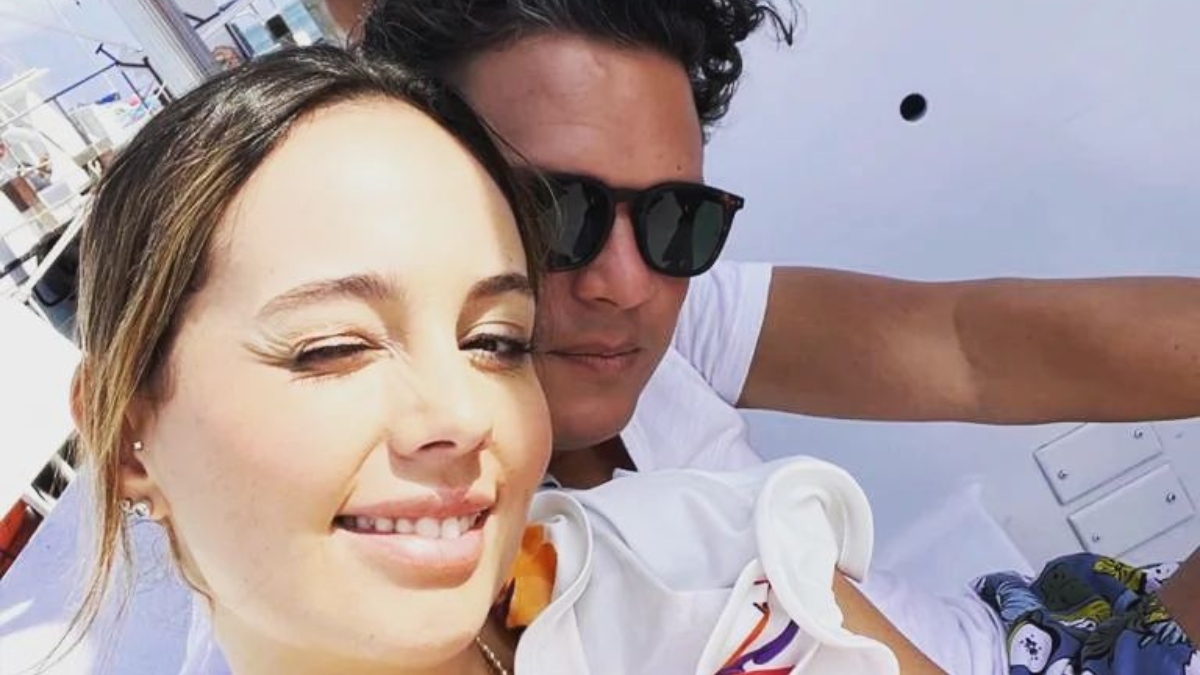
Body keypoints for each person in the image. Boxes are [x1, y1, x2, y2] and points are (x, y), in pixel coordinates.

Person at [61, 46, 946, 675]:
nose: (460, 414)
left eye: (496, 342)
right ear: (128, 430)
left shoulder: (707, 571)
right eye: (333, 347)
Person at [355, 0, 1200, 632]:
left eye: (678, 219)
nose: (626, 283)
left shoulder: (674, 316)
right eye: (554, 209)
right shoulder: (390, 565)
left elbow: (966, 350)